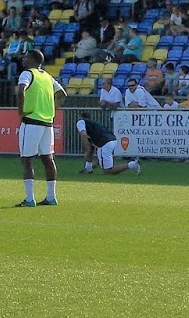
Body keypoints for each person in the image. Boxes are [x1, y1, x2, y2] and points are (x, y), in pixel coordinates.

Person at [14, 48, 65, 207]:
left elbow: (21, 90)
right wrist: (52, 109)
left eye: (26, 58)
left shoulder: (28, 74)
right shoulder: (47, 76)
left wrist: (21, 111)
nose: (23, 60)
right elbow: (63, 93)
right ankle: (51, 196)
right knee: (48, 159)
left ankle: (30, 199)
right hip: (47, 123)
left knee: (27, 160)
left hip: (31, 122)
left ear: (33, 60)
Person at [76, 112, 142, 175]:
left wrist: (86, 150)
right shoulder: (93, 124)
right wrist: (89, 164)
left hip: (105, 144)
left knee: (108, 171)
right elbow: (92, 146)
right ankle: (88, 168)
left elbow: (84, 135)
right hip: (111, 140)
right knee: (101, 161)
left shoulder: (81, 122)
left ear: (81, 117)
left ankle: (132, 164)